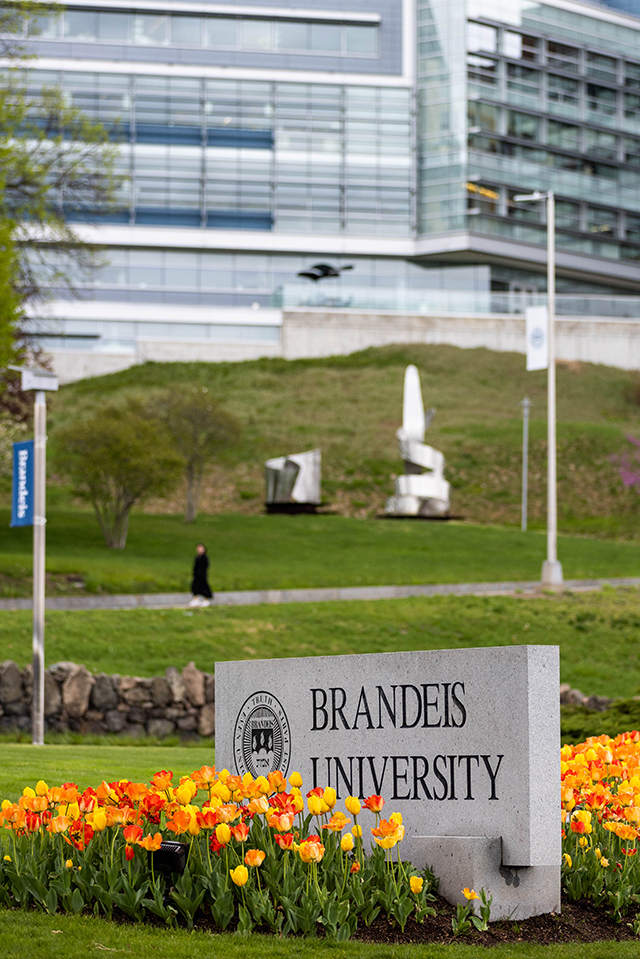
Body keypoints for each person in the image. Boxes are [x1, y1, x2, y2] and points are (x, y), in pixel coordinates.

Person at [189, 543, 213, 607]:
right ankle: (196, 599)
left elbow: (205, 566)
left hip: (202, 575)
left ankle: (206, 599)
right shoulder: (197, 557)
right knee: (194, 586)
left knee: (204, 586)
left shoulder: (204, 557)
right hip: (196, 575)